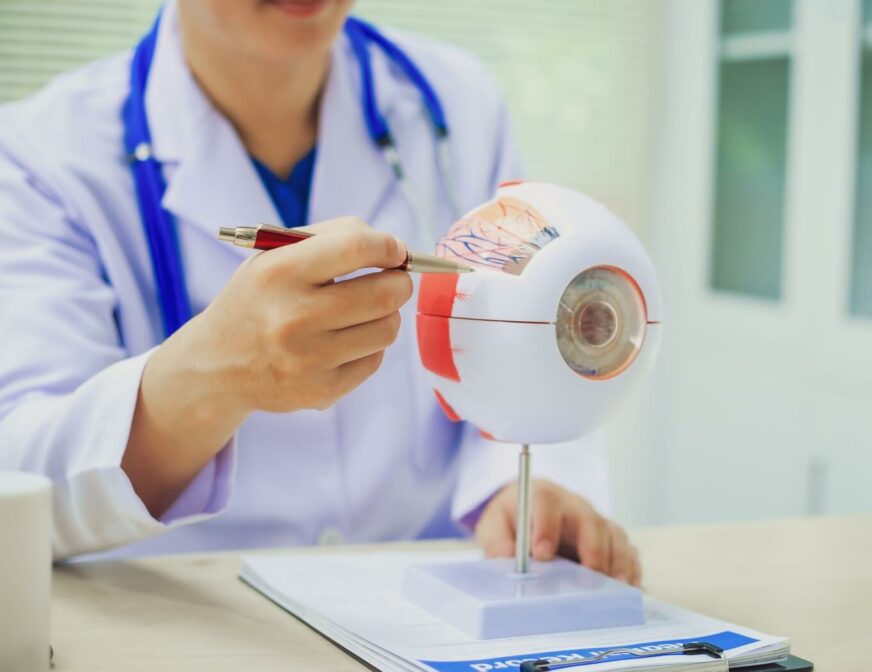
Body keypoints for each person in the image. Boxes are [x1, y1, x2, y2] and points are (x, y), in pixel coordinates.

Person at [0, 0, 640, 584]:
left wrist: (529, 487)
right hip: (190, 613)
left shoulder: (456, 104)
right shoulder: (39, 158)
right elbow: (21, 489)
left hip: (430, 592)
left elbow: (530, 317)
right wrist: (209, 378)